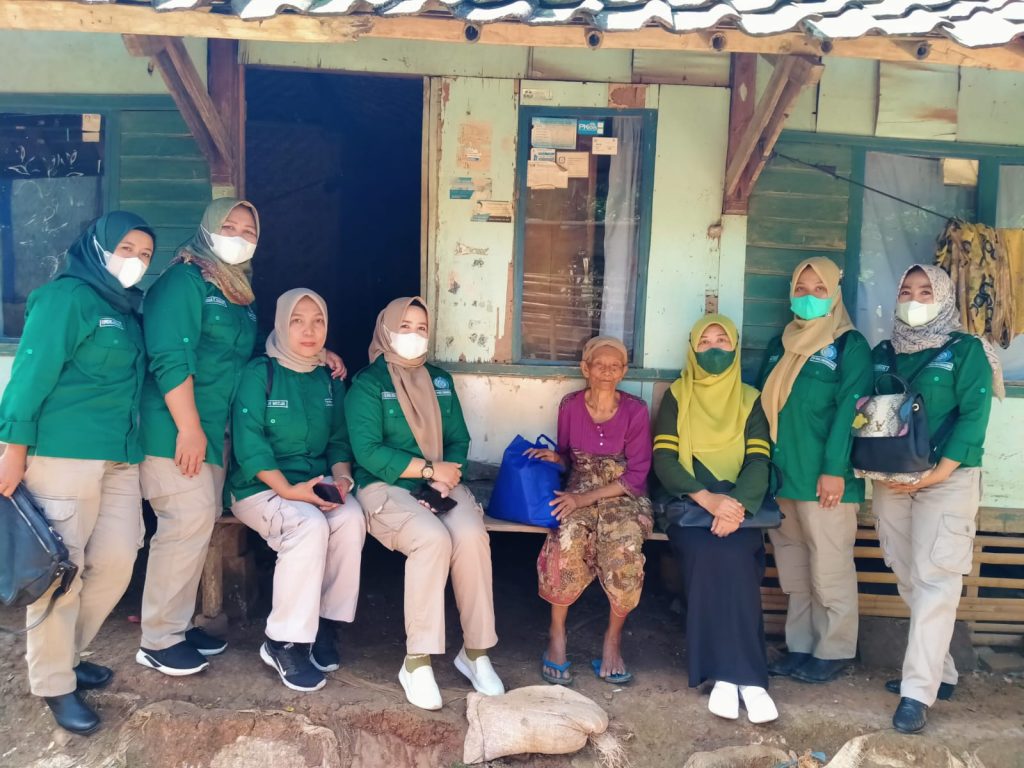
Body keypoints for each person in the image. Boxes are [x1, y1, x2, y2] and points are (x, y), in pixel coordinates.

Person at [0, 213, 154, 734]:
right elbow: (30, 375)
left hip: (120, 457)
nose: (136, 261)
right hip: (64, 454)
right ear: (98, 247)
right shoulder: (64, 298)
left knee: (117, 559)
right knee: (61, 573)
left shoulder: (125, 309)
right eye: (127, 248)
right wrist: (12, 449)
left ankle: (67, 654)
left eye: (145, 255)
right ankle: (53, 682)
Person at [344, 297, 503, 710]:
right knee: (431, 539)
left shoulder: (440, 380)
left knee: (470, 535)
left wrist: (445, 477)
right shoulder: (368, 384)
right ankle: (416, 662)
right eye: (405, 327)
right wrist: (429, 470)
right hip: (385, 484)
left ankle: (475, 653)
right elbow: (367, 451)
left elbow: (458, 438)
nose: (413, 335)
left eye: (421, 328)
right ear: (386, 329)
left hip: (440, 484)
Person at [871, 264, 1000, 734]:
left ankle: (916, 692)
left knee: (936, 579)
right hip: (891, 481)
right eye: (906, 291)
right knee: (908, 575)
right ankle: (940, 672)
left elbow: (973, 418)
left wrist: (935, 476)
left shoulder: (967, 350)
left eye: (926, 292)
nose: (914, 299)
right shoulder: (885, 352)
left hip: (948, 479)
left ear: (944, 298)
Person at [229, 288, 365, 692]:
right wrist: (289, 490)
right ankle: (283, 641)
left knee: (351, 518)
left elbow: (338, 440)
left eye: (318, 321)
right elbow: (249, 445)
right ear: (280, 324)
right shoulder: (261, 373)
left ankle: (323, 623)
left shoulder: (328, 378)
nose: (309, 331)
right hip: (259, 487)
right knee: (308, 525)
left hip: (313, 482)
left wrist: (342, 479)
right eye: (297, 321)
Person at [653, 315, 778, 723]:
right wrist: (708, 500)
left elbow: (759, 461)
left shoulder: (750, 399)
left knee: (739, 557)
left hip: (738, 506)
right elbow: (664, 459)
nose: (713, 348)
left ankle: (747, 680)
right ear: (692, 348)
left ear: (735, 347)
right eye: (704, 341)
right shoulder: (678, 395)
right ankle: (729, 676)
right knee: (709, 556)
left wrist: (736, 505)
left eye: (722, 340)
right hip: (690, 504)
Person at [757, 257, 872, 684]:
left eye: (819, 289)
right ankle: (801, 646)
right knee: (795, 569)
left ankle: (834, 649)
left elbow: (850, 411)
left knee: (829, 566)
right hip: (783, 475)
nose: (809, 297)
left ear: (835, 295)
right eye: (801, 289)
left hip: (825, 478)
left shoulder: (848, 346)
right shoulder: (781, 343)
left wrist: (834, 469)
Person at [529, 336, 652, 687]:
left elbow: (637, 475)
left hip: (623, 494)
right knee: (565, 540)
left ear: (624, 371)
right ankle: (557, 635)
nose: (607, 372)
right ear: (586, 368)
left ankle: (613, 641)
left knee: (625, 549)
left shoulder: (636, 410)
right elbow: (568, 457)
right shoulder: (570, 405)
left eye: (615, 366)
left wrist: (585, 500)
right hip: (578, 487)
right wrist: (556, 458)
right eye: (600, 365)